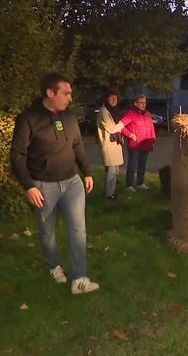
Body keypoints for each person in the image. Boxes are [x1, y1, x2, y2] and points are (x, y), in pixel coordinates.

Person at [10, 72, 100, 294]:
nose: (70, 97)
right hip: (43, 187)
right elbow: (17, 155)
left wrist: (87, 171)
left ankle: (79, 279)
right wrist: (29, 185)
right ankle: (54, 266)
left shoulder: (68, 117)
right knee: (47, 232)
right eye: (66, 93)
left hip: (72, 183)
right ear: (50, 93)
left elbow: (77, 145)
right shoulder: (28, 119)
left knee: (79, 229)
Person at [114, 95, 156, 192]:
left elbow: (151, 128)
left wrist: (153, 139)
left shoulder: (148, 114)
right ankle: (129, 185)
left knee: (142, 165)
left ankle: (140, 183)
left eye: (144, 102)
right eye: (141, 102)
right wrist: (130, 135)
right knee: (132, 165)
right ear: (135, 103)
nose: (143, 105)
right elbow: (121, 126)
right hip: (135, 144)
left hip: (146, 143)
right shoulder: (130, 114)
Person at [96, 89, 124, 200]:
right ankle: (109, 195)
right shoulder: (104, 111)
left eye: (116, 97)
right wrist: (123, 123)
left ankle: (112, 192)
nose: (114, 99)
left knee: (115, 171)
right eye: (111, 97)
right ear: (106, 98)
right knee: (112, 171)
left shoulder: (113, 111)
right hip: (108, 145)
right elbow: (111, 128)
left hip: (115, 144)